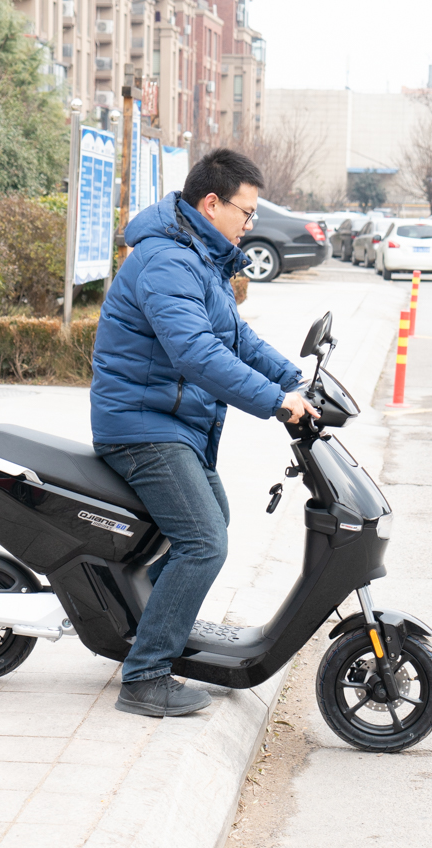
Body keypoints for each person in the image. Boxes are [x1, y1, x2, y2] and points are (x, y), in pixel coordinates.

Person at [91, 148, 313, 718]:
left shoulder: (201, 258)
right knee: (205, 541)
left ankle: (147, 629)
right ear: (211, 204)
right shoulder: (167, 260)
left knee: (212, 524)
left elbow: (237, 339)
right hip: (141, 428)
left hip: (170, 425)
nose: (250, 223)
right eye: (247, 211)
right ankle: (144, 676)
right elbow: (195, 352)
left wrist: (297, 379)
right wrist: (274, 404)